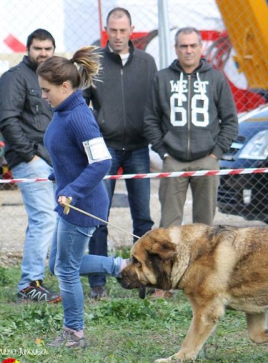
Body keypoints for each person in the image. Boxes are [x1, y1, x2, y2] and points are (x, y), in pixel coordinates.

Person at [37, 46, 129, 348]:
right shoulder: (63, 111)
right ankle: (119, 267)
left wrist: (73, 190)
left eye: (46, 90)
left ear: (66, 86)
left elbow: (101, 162)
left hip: (83, 205)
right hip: (69, 202)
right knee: (58, 267)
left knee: (65, 269)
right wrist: (58, 176)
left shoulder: (79, 117)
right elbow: (69, 155)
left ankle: (74, 334)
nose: (43, 96)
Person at [144, 27, 238, 298]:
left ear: (200, 48)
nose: (188, 50)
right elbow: (150, 118)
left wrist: (216, 152)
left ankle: (204, 280)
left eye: (193, 46)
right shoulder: (161, 79)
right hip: (173, 160)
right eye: (183, 46)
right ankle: (165, 284)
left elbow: (230, 120)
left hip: (206, 159)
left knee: (205, 226)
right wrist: (162, 151)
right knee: (169, 225)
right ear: (176, 49)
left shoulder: (216, 79)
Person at [84, 7, 156, 300]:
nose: (117, 36)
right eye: (112, 30)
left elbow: (156, 103)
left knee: (143, 219)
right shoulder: (93, 63)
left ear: (131, 30)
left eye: (123, 30)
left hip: (139, 148)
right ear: (106, 30)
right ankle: (98, 282)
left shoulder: (148, 63)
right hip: (107, 148)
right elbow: (82, 104)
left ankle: (144, 278)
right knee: (99, 216)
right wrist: (92, 139)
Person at [0, 29, 60, 303]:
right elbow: (7, 120)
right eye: (38, 48)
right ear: (28, 49)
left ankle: (37, 279)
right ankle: (28, 285)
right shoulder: (15, 78)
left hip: (52, 160)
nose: (43, 53)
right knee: (45, 219)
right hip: (30, 160)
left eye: (48, 49)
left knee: (46, 220)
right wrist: (29, 156)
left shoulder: (53, 79)